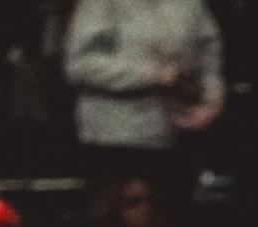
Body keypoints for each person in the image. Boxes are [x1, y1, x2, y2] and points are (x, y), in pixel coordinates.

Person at [63, 0, 225, 202]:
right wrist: (149, 75)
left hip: (177, 136)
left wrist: (211, 100)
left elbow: (209, 51)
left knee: (176, 224)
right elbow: (79, 65)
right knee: (116, 225)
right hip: (116, 140)